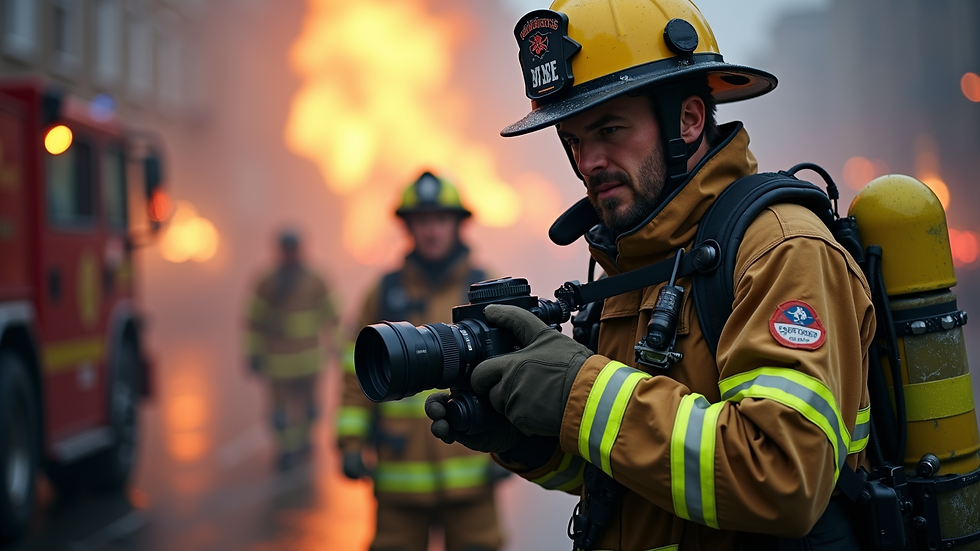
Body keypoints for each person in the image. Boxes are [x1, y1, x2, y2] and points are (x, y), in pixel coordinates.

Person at [425, 2, 875, 550]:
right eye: (572, 140)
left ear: (687, 119)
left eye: (609, 128)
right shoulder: (636, 261)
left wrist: (578, 393)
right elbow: (629, 473)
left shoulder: (781, 249)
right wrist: (525, 437)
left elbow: (782, 477)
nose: (588, 160)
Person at [337, 172, 504, 551]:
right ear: (409, 226)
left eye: (440, 220)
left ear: (457, 224)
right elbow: (354, 374)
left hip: (473, 475)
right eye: (422, 221)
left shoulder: (485, 289)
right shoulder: (382, 294)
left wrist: (515, 445)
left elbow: (511, 370)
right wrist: (350, 442)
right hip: (400, 479)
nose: (431, 231)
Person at [245, 229, 338, 470]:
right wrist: (253, 352)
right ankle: (286, 449)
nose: (290, 254)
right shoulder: (267, 282)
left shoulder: (316, 279)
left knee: (309, 408)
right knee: (280, 412)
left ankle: (305, 442)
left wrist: (336, 345)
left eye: (293, 248)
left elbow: (332, 315)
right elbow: (253, 321)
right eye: (286, 249)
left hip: (309, 362)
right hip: (278, 363)